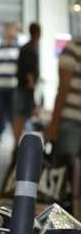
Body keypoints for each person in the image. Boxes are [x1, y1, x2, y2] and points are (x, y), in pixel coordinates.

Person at [46, 35, 81, 217]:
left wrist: (53, 124)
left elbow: (63, 90)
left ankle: (63, 225)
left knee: (61, 180)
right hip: (71, 122)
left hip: (70, 122)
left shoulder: (72, 48)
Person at [0, 22, 21, 148]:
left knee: (12, 114)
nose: (10, 32)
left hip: (12, 86)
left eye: (12, 30)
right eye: (8, 30)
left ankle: (15, 141)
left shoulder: (19, 47)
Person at [12, 22, 40, 141]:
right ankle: (17, 143)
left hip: (22, 87)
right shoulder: (30, 49)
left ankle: (17, 142)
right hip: (25, 89)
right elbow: (29, 70)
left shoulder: (26, 47)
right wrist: (32, 85)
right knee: (21, 117)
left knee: (21, 117)